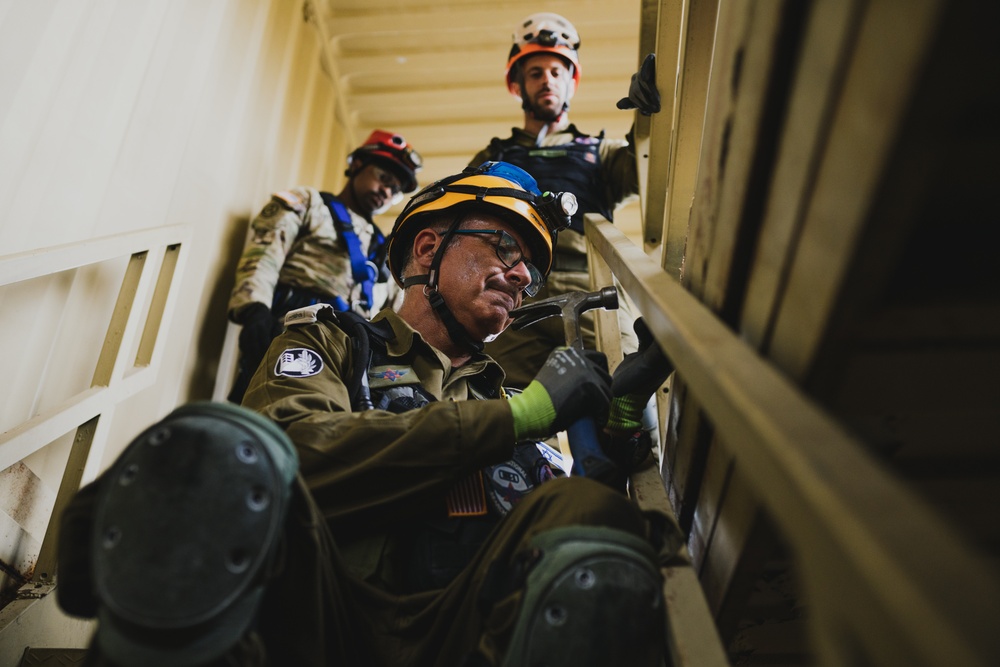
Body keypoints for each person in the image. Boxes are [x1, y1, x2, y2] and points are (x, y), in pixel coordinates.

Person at [57, 162, 678, 667]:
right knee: (217, 455)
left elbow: (573, 545)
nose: (521, 277)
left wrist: (623, 423)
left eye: (532, 274)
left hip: (465, 639)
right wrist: (525, 416)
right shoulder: (334, 345)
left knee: (591, 515)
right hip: (316, 625)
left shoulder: (512, 405)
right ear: (428, 248)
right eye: (506, 246)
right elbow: (291, 458)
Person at [469, 12, 661, 389]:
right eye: (536, 73)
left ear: (571, 84)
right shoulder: (490, 158)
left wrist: (649, 118)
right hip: (514, 292)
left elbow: (648, 166)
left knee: (621, 400)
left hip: (592, 286)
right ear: (518, 85)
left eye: (557, 72)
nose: (547, 81)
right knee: (505, 413)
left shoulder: (600, 153)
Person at [226, 129, 423, 403]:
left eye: (396, 190)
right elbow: (266, 253)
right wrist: (254, 309)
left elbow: (397, 314)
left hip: (353, 355)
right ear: (356, 164)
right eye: (384, 178)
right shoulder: (309, 203)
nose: (387, 191)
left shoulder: (387, 249)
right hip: (294, 333)